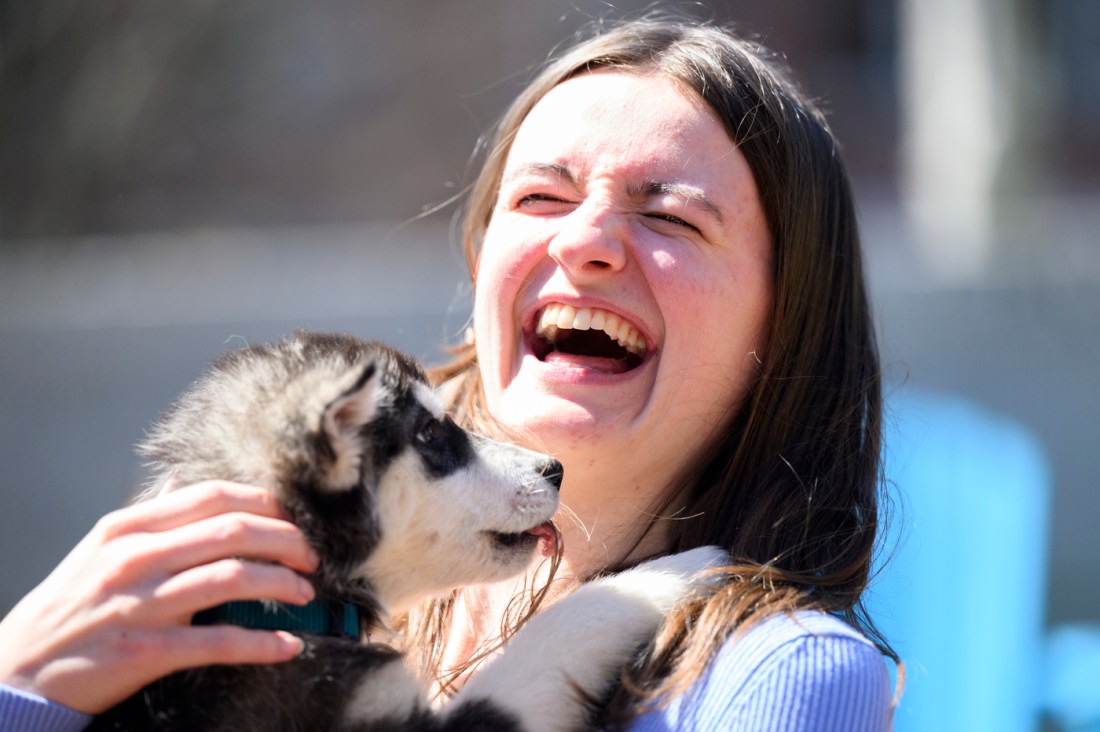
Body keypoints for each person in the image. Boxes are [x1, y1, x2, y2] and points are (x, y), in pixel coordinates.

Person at [0, 14, 897, 731]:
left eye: (671, 218)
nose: (584, 240)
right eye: (541, 197)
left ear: (786, 322)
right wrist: (25, 685)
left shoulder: (778, 680)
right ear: (479, 266)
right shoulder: (294, 610)